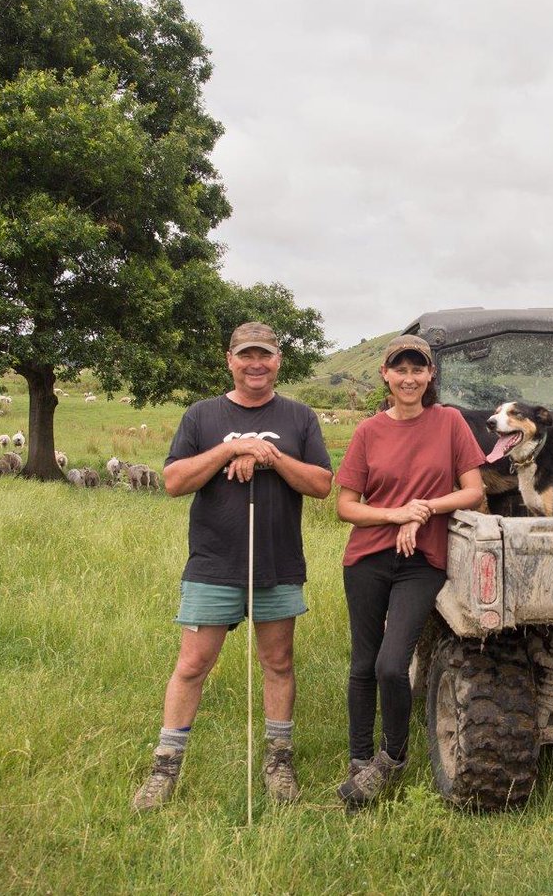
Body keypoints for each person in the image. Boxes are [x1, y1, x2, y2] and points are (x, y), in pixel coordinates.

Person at [132, 321, 334, 811]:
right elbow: (175, 480)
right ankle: (165, 766)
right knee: (192, 665)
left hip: (277, 563)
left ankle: (279, 760)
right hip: (213, 565)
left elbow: (322, 483)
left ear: (278, 360)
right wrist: (232, 447)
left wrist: (268, 455)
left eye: (264, 355)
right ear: (230, 360)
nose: (255, 364)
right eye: (246, 355)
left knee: (278, 663)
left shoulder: (300, 417)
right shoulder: (202, 415)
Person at [334, 333, 486, 807]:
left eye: (417, 369)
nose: (409, 378)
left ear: (429, 376)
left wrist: (422, 509)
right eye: (400, 369)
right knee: (363, 662)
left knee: (390, 662)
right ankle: (361, 759)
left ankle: (392, 758)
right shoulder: (367, 432)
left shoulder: (449, 423)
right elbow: (346, 506)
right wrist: (394, 515)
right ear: (386, 375)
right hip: (366, 559)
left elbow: (473, 491)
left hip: (421, 563)